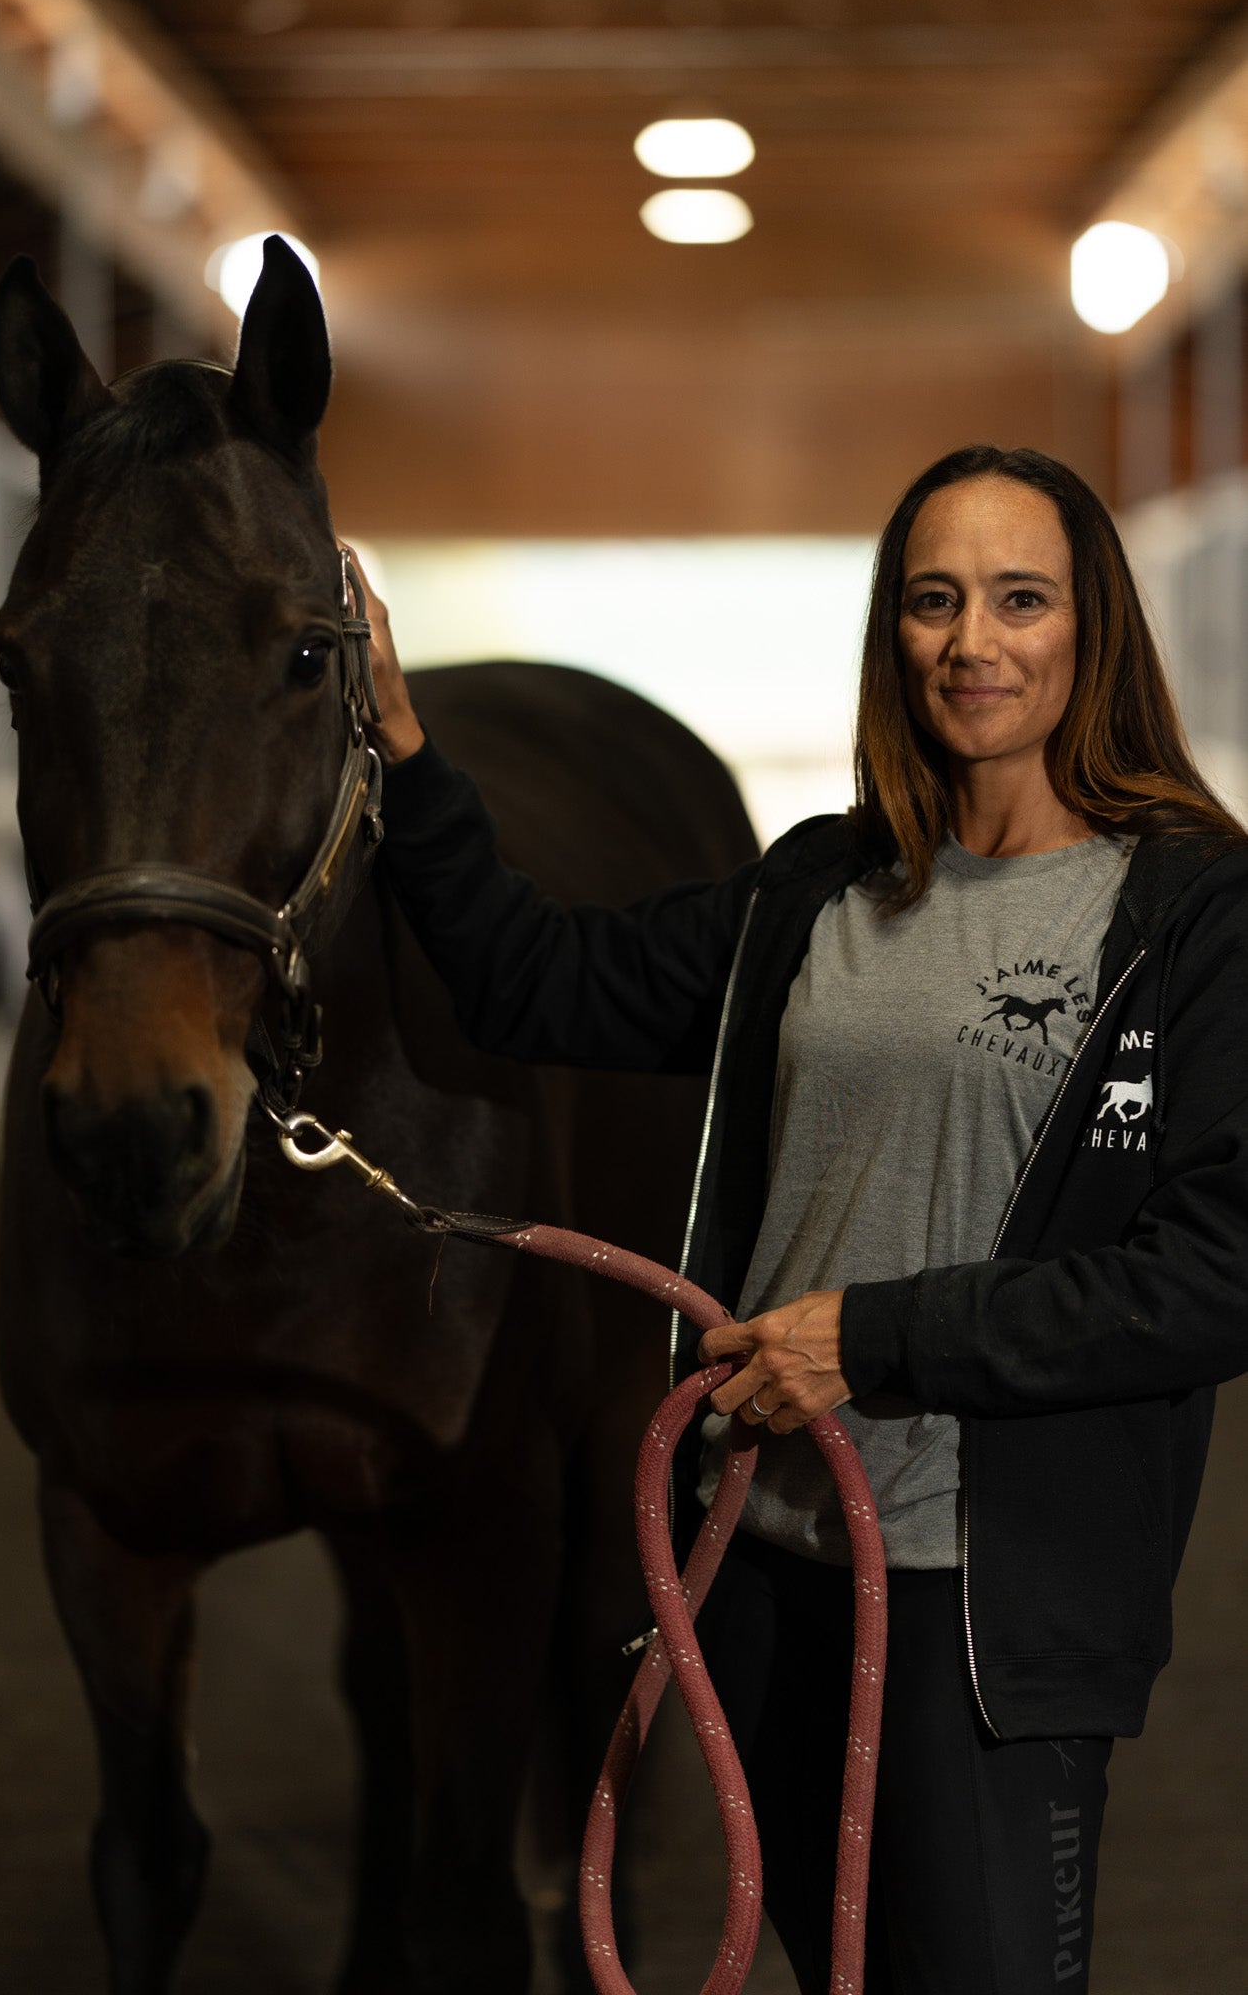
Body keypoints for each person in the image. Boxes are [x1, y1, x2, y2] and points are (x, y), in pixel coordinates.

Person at [353, 444, 1248, 1995]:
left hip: (982, 1604)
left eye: (1018, 599)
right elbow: (527, 976)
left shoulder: (1187, 916)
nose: (971, 642)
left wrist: (876, 1340)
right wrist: (406, 750)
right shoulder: (816, 891)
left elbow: (1214, 1275)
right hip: (764, 1564)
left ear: (1089, 629)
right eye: (932, 601)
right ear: (889, 634)